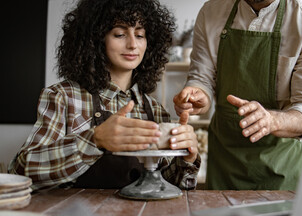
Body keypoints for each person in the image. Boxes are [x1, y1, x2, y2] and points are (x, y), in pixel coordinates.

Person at [8, 0, 200, 190]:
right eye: (119, 34)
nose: (133, 44)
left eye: (140, 35)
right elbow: (20, 170)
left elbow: (169, 184)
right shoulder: (63, 97)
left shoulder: (155, 110)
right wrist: (94, 140)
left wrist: (188, 157)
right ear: (96, 39)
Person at [173, 0, 302, 190]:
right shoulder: (211, 12)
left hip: (281, 167)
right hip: (225, 162)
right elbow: (202, 78)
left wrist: (273, 121)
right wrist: (198, 96)